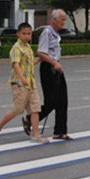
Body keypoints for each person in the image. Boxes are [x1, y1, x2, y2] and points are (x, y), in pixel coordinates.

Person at [0, 22, 48, 144]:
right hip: (20, 84)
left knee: (35, 109)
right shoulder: (16, 48)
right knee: (18, 109)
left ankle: (36, 134)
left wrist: (41, 59)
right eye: (24, 33)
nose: (27, 36)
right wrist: (22, 78)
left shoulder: (28, 47)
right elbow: (15, 64)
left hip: (31, 84)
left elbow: (29, 63)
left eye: (29, 34)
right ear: (18, 34)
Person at [25, 9, 70, 140]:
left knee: (62, 100)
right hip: (49, 68)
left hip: (56, 67)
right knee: (51, 101)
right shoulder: (47, 33)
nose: (63, 22)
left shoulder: (55, 34)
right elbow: (41, 53)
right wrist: (53, 63)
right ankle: (29, 119)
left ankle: (60, 131)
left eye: (64, 19)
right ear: (54, 19)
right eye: (62, 19)